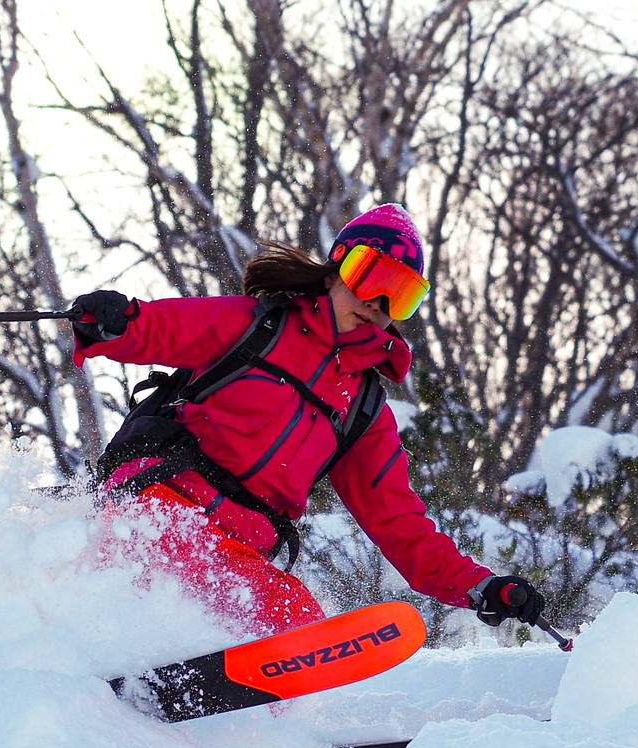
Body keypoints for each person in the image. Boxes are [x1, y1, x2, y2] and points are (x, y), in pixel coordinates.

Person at [71, 203, 546, 638]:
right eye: (369, 277)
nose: (377, 304)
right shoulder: (255, 326)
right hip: (159, 504)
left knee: (294, 626)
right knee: (221, 589)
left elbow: (399, 522)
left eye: (399, 296)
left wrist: (480, 585)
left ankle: (218, 724)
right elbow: (160, 328)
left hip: (236, 548)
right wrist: (112, 321)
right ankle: (125, 667)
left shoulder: (360, 410)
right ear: (337, 266)